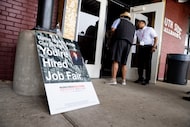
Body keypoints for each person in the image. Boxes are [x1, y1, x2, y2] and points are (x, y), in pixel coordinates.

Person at [106, 11, 135, 85]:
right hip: (129, 43)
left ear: (122, 16)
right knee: (124, 63)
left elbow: (113, 29)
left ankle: (113, 80)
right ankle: (124, 81)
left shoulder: (119, 20)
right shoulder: (132, 25)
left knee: (116, 60)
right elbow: (133, 37)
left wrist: (111, 36)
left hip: (120, 41)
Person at [134, 20, 158, 85]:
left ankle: (147, 79)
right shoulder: (137, 31)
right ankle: (140, 78)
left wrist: (154, 46)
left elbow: (156, 38)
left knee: (147, 63)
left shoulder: (150, 29)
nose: (137, 24)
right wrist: (137, 44)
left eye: (139, 23)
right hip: (141, 47)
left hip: (149, 47)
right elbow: (135, 39)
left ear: (143, 23)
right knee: (140, 63)